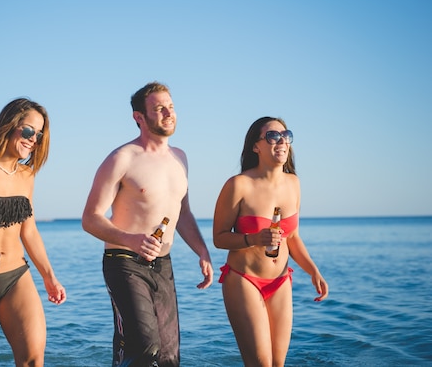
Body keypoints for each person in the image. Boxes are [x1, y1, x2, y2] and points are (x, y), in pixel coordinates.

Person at [82, 81, 214, 367]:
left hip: (163, 265)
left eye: (171, 107)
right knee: (143, 347)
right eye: (159, 108)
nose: (168, 113)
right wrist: (130, 239)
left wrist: (202, 251)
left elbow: (184, 213)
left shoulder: (180, 158)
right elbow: (90, 218)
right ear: (139, 117)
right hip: (124, 262)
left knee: (168, 358)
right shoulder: (122, 158)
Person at [0, 98, 66, 365]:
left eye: (39, 135)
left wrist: (49, 277)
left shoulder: (26, 176)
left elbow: (28, 231)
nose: (33, 140)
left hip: (15, 275)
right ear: (10, 125)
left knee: (32, 358)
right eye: (28, 130)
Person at [212, 116, 329, 367]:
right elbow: (219, 238)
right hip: (243, 280)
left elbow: (293, 236)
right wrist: (252, 238)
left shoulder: (294, 184)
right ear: (256, 146)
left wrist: (313, 271)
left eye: (286, 136)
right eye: (273, 136)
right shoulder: (238, 185)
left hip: (280, 282)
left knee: (278, 364)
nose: (282, 141)